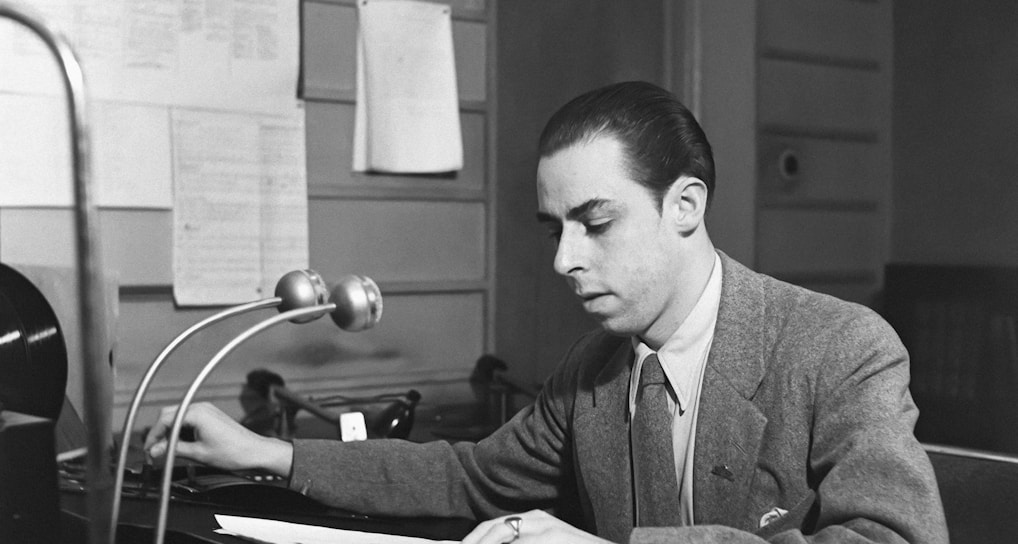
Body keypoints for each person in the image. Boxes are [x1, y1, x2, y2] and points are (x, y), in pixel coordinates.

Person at [146, 81, 948, 543]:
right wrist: (270, 452)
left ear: (686, 205)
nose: (565, 258)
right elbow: (469, 476)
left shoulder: (841, 347)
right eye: (556, 228)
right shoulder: (593, 373)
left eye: (595, 223)